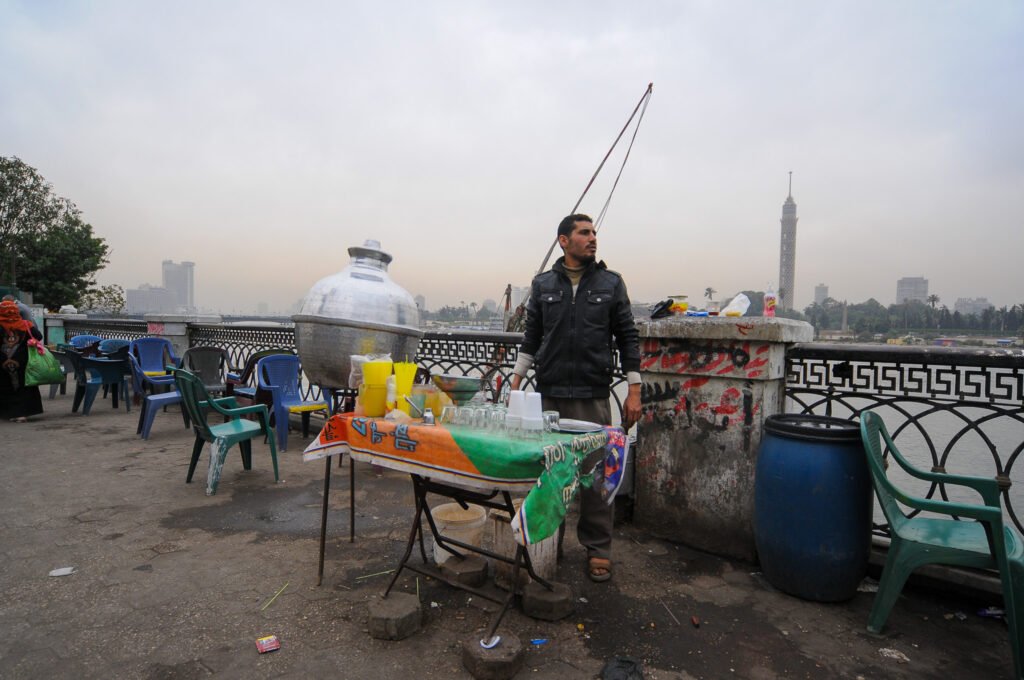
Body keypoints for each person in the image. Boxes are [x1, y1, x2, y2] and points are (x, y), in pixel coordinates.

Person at [510, 213, 642, 583]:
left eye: (594, 232)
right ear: (564, 241)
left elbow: (628, 338)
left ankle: (598, 548)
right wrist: (516, 382)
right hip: (548, 393)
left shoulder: (610, 283)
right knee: (549, 473)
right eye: (584, 233)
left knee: (596, 476)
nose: (593, 238)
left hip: (591, 393)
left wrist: (634, 390)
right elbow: (531, 338)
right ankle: (545, 539)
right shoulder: (542, 285)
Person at [0, 299, 44, 422]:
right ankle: (22, 414)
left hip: (2, 362)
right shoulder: (25, 324)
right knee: (24, 386)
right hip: (23, 361)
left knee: (6, 386)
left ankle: (10, 414)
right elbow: (38, 336)